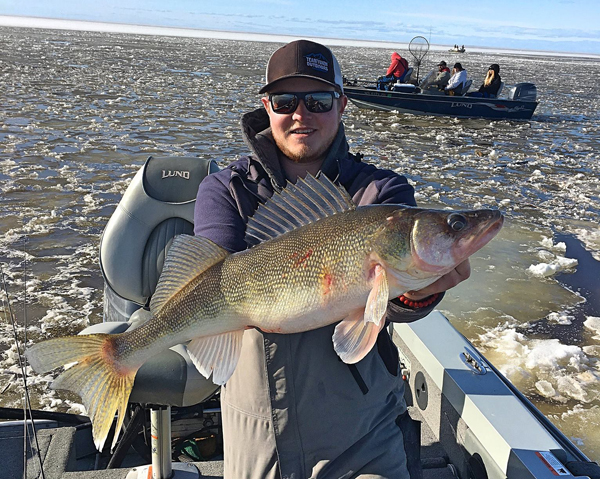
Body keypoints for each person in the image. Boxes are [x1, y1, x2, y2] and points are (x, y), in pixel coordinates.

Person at [194, 39, 471, 479]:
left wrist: (417, 295)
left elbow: (395, 303)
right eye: (285, 100)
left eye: (318, 100)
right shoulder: (225, 189)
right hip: (256, 426)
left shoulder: (381, 194)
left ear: (341, 105)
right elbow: (212, 282)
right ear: (266, 106)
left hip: (362, 431)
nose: (300, 114)